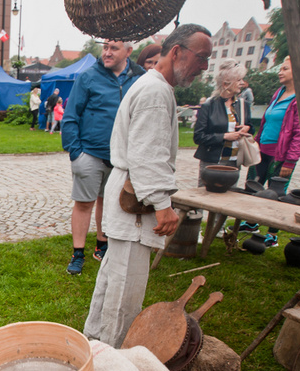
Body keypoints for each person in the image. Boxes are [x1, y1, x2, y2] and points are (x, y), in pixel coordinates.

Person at [83, 23, 212, 348]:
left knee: (113, 280)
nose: (205, 66)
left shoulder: (155, 87)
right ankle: (110, 359)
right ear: (177, 52)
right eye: (202, 57)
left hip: (128, 196)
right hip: (135, 204)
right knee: (124, 292)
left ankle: (92, 344)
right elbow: (146, 155)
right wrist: (163, 206)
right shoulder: (154, 91)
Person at [61, 40, 145, 276]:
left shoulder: (139, 78)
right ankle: (78, 253)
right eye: (105, 47)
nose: (107, 52)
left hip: (121, 158)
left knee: (107, 203)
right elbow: (70, 115)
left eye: (114, 48)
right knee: (84, 203)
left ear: (128, 52)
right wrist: (75, 153)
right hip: (89, 153)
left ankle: (102, 245)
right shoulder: (88, 77)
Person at [243, 56, 300, 248]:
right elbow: (268, 120)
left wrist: (291, 160)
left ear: (299, 72)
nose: (280, 72)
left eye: (285, 68)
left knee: (276, 192)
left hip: (281, 154)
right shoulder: (280, 92)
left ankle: (272, 234)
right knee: (253, 186)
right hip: (263, 150)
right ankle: (251, 222)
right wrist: (257, 141)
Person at [193, 59, 253, 187]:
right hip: (212, 161)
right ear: (226, 83)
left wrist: (247, 128)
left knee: (229, 198)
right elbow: (198, 136)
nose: (242, 83)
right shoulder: (209, 105)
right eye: (239, 80)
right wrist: (224, 136)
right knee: (205, 197)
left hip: (234, 162)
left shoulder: (243, 105)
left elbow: (250, 127)